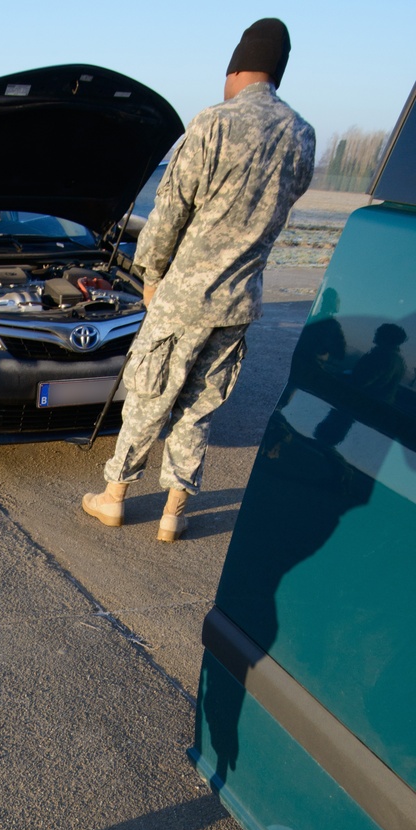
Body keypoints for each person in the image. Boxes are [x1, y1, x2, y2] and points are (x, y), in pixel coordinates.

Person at [81, 18, 315, 541]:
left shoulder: (213, 124)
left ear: (234, 69)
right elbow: (283, 203)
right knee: (200, 404)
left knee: (149, 391)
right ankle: (173, 512)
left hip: (185, 295)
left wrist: (151, 275)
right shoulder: (300, 134)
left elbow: (167, 214)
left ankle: (114, 496)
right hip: (239, 301)